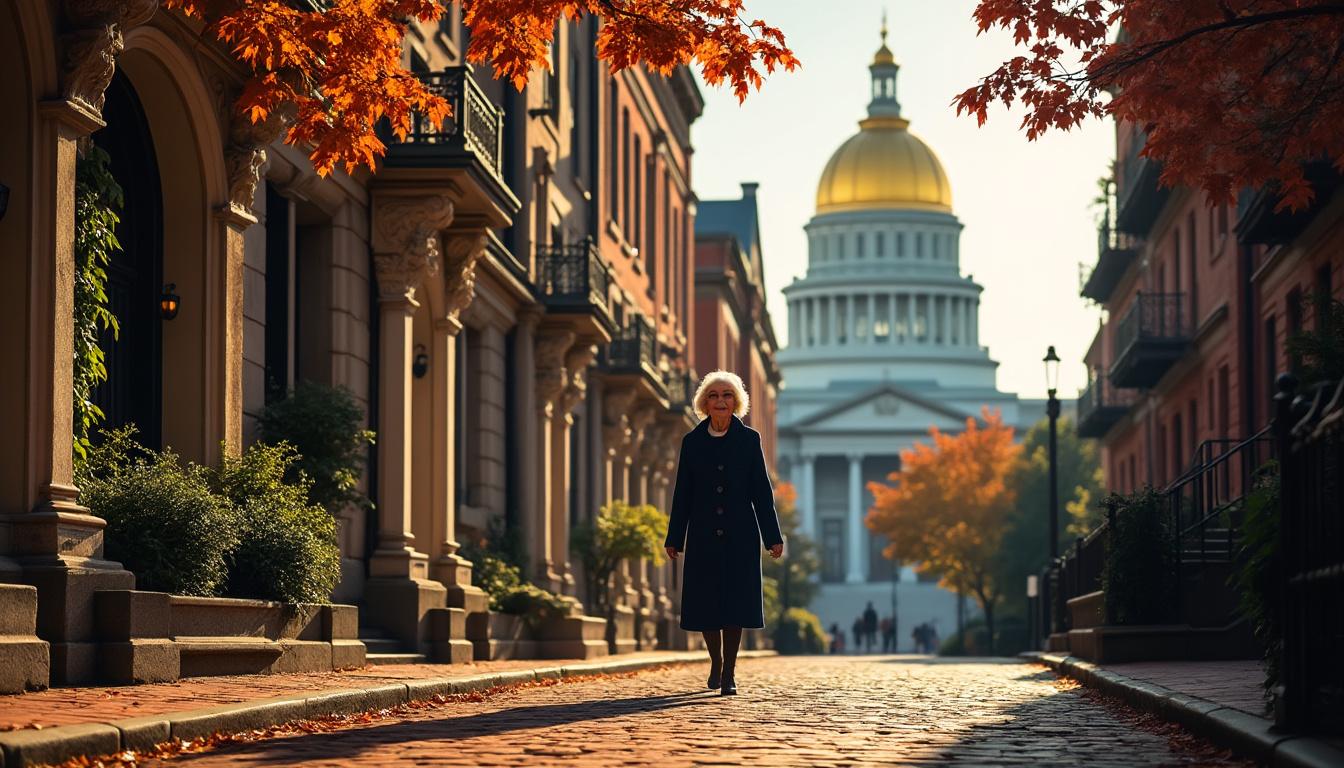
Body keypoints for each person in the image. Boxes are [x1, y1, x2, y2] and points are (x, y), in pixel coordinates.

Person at [665, 370, 783, 696]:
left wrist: (772, 536)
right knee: (705, 605)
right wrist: (675, 537)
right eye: (714, 396)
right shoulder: (691, 442)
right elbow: (682, 495)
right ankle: (715, 661)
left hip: (740, 535)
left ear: (736, 402)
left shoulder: (750, 440)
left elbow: (762, 491)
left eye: (727, 395)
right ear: (705, 403)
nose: (720, 401)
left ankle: (728, 672)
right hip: (702, 534)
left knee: (735, 604)